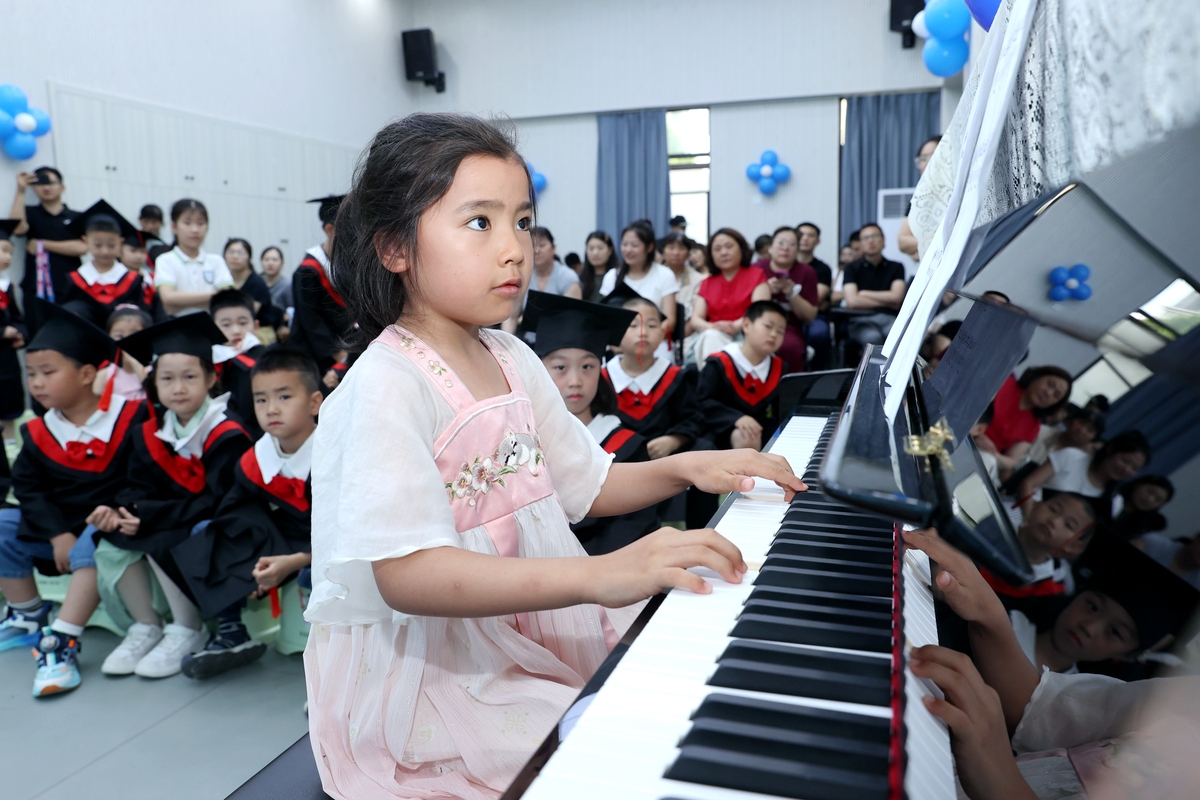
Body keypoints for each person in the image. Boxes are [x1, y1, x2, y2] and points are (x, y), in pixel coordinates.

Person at [303, 113, 805, 799]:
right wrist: (598, 574)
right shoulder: (386, 385)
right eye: (480, 222)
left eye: (521, 221)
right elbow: (409, 575)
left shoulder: (511, 356)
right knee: (615, 764)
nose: (514, 248)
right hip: (440, 663)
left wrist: (689, 467)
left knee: (685, 701)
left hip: (542, 618)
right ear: (395, 248)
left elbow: (584, 485)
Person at [0, 301, 146, 695]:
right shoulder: (38, 431)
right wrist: (56, 534)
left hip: (112, 522)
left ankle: (62, 642)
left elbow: (144, 477)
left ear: (86, 374)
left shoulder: (132, 417)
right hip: (61, 526)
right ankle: (27, 614)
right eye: (31, 373)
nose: (37, 383)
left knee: (92, 543)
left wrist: (116, 509)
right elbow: (29, 488)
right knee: (3, 526)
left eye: (48, 372)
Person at [99, 314, 251, 679]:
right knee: (113, 536)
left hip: (226, 520)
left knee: (177, 533)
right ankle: (148, 625)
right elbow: (137, 483)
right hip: (177, 515)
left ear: (211, 378)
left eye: (189, 377)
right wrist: (126, 510)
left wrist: (151, 514)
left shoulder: (226, 431)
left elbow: (219, 500)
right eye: (167, 378)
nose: (178, 388)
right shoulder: (152, 431)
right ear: (154, 382)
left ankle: (200, 628)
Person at [172, 347, 323, 678]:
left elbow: (352, 528)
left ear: (315, 403)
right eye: (261, 399)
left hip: (329, 544)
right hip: (286, 537)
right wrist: (247, 568)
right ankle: (232, 632)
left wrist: (297, 560)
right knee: (208, 535)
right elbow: (237, 512)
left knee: (323, 569)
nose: (271, 409)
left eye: (284, 396)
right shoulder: (256, 459)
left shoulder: (336, 453)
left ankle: (334, 654)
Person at [524, 291, 657, 555]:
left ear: (601, 369)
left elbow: (634, 527)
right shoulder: (522, 440)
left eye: (587, 367)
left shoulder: (626, 447)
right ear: (538, 370)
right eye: (560, 367)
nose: (575, 381)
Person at [604, 292, 707, 460]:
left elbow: (692, 419)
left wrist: (674, 440)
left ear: (662, 333)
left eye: (651, 325)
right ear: (618, 332)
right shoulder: (602, 379)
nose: (643, 332)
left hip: (668, 462)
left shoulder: (676, 377)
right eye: (633, 325)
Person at [697, 301, 787, 451]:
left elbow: (781, 410)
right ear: (746, 325)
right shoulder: (719, 363)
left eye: (780, 331)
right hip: (722, 430)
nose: (773, 334)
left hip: (763, 430)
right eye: (768, 326)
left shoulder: (779, 368)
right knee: (747, 436)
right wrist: (736, 418)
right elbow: (703, 402)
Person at [978, 492, 1097, 602]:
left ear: (1074, 546)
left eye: (1068, 525)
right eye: (1053, 509)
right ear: (1035, 506)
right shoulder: (994, 522)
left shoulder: (1051, 591)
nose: (1054, 521)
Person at [291, 195, 353, 390]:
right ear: (329, 230)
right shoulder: (308, 270)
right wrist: (338, 354)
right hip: (315, 357)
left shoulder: (347, 264)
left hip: (346, 352)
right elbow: (311, 322)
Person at [1017, 430, 1151, 520]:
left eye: (1135, 468)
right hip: (1023, 513)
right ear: (1111, 449)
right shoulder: (1071, 456)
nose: (1127, 469)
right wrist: (1029, 518)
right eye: (1125, 461)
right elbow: (1029, 483)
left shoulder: (1115, 501)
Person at [688, 227, 771, 364]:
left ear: (741, 249)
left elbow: (759, 313)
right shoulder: (707, 282)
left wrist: (734, 326)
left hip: (747, 335)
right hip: (712, 335)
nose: (724, 253)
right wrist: (713, 327)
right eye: (717, 249)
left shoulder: (757, 276)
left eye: (729, 247)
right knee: (711, 337)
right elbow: (696, 319)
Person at [61, 200, 148, 327]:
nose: (104, 251)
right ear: (85, 241)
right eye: (98, 245)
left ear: (120, 242)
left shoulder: (132, 280)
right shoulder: (75, 280)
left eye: (111, 245)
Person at [8, 167, 87, 304]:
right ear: (34, 188)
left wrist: (42, 244)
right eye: (41, 183)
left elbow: (82, 247)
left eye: (51, 183)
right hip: (36, 286)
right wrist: (21, 191)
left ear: (62, 187)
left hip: (71, 286)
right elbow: (18, 229)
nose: (46, 187)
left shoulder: (76, 217)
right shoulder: (30, 212)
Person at [752, 226, 819, 369]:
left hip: (789, 327)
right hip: (758, 324)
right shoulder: (756, 269)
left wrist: (791, 294)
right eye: (781, 243)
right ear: (770, 248)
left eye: (792, 244)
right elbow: (747, 307)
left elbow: (810, 316)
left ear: (797, 250)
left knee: (789, 346)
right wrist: (766, 290)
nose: (785, 248)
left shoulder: (807, 272)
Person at [153, 199, 235, 316]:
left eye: (200, 223)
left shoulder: (216, 261)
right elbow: (168, 298)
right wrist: (214, 296)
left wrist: (179, 302)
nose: (195, 230)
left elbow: (226, 297)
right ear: (174, 226)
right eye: (187, 223)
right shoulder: (165, 260)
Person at [981, 366, 1073, 468]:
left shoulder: (1033, 427)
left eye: (1056, 395)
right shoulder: (1003, 383)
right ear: (1037, 376)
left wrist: (993, 454)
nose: (1048, 393)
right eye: (1050, 384)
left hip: (984, 457)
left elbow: (1011, 460)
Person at [600, 221, 679, 337]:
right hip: (619, 342)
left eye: (634, 245)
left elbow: (670, 321)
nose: (628, 250)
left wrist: (645, 338)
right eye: (624, 244)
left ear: (649, 247)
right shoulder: (611, 277)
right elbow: (604, 317)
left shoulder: (664, 275)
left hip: (654, 340)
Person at [210, 289, 267, 439]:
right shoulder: (209, 363)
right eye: (226, 324)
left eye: (243, 323)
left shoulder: (266, 359)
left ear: (256, 326)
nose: (236, 330)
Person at [505, 226, 582, 334]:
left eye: (542, 245)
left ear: (553, 248)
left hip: (560, 339)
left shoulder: (568, 277)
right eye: (532, 246)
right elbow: (511, 317)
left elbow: (572, 319)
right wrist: (505, 342)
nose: (536, 250)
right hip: (528, 340)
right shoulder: (522, 276)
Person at [842, 223, 906, 349]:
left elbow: (897, 297)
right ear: (860, 243)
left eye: (875, 236)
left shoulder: (896, 267)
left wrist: (864, 293)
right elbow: (852, 301)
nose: (871, 241)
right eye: (866, 238)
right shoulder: (851, 268)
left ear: (883, 240)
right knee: (872, 338)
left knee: (900, 337)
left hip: (889, 318)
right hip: (860, 320)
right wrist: (889, 302)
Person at [0, 219, 28, 439]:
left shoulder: (7, 286)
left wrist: (20, 334)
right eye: (3, 250)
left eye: (10, 252)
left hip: (6, 357)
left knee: (8, 401)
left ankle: (9, 443)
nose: (8, 256)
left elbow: (18, 317)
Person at [795, 222, 833, 369]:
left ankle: (818, 374)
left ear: (818, 241)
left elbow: (814, 299)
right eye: (801, 235)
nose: (805, 238)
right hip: (786, 315)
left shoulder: (823, 269)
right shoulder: (786, 264)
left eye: (810, 235)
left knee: (819, 333)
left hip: (815, 317)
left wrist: (791, 295)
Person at [223, 237, 282, 333]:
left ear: (249, 257)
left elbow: (248, 314)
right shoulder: (223, 281)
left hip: (260, 330)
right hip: (232, 327)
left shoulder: (257, 282)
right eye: (231, 252)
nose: (235, 256)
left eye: (241, 252)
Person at [898, 136, 941, 260]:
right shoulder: (919, 198)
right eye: (923, 158)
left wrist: (921, 246)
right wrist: (934, 243)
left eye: (933, 155)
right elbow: (902, 241)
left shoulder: (961, 189)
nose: (928, 162)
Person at [102, 306, 152, 402]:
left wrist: (134, 363)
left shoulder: (152, 372)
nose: (126, 342)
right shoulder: (106, 374)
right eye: (119, 336)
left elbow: (152, 391)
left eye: (134, 335)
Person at [659, 231, 703, 328]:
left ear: (688, 253)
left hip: (688, 331)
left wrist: (683, 335)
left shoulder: (698, 280)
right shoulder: (654, 276)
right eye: (671, 248)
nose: (676, 253)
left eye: (681, 248)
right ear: (663, 252)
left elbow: (697, 314)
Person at [1114, 474, 1173, 540]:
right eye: (1150, 492)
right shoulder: (1112, 494)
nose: (1150, 499)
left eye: (1158, 500)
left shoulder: (1142, 527)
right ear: (1139, 484)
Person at [260, 246, 292, 334]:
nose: (270, 263)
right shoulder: (256, 282)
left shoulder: (288, 285)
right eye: (266, 259)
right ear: (261, 262)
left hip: (280, 328)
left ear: (282, 264)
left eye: (275, 260)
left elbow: (292, 310)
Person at [580, 230, 618, 303]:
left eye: (600, 248)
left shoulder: (616, 277)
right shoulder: (580, 280)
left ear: (610, 250)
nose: (595, 253)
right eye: (591, 248)